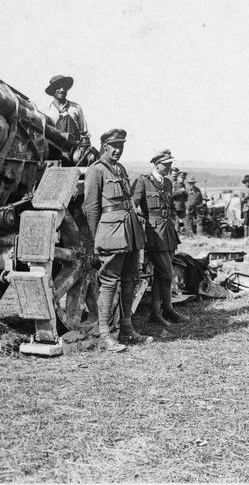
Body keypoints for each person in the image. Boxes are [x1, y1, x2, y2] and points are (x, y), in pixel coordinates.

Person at [83, 128, 150, 351]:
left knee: (131, 279)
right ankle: (105, 335)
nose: (118, 150)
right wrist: (95, 240)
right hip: (110, 233)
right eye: (114, 146)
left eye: (121, 146)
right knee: (109, 282)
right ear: (105, 147)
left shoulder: (120, 169)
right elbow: (91, 208)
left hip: (130, 231)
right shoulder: (96, 170)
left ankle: (126, 330)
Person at [132, 149, 187, 325]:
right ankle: (167, 310)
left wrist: (173, 219)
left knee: (160, 273)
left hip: (168, 231)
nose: (170, 167)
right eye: (166, 164)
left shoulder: (168, 183)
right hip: (154, 233)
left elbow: (171, 207)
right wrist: (140, 221)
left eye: (170, 164)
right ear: (156, 164)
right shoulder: (143, 181)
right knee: (167, 273)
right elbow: (134, 203)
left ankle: (157, 313)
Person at [45, 75, 88, 146]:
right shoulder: (47, 110)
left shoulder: (76, 107)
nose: (62, 90)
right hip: (55, 149)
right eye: (58, 87)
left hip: (75, 148)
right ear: (53, 90)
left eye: (64, 87)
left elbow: (84, 132)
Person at [171, 167, 188, 234]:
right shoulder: (175, 184)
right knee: (177, 220)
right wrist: (180, 191)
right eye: (181, 177)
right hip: (176, 205)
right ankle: (176, 233)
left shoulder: (183, 185)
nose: (182, 179)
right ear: (178, 177)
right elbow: (172, 194)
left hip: (182, 205)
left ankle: (182, 232)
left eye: (184, 178)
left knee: (182, 220)